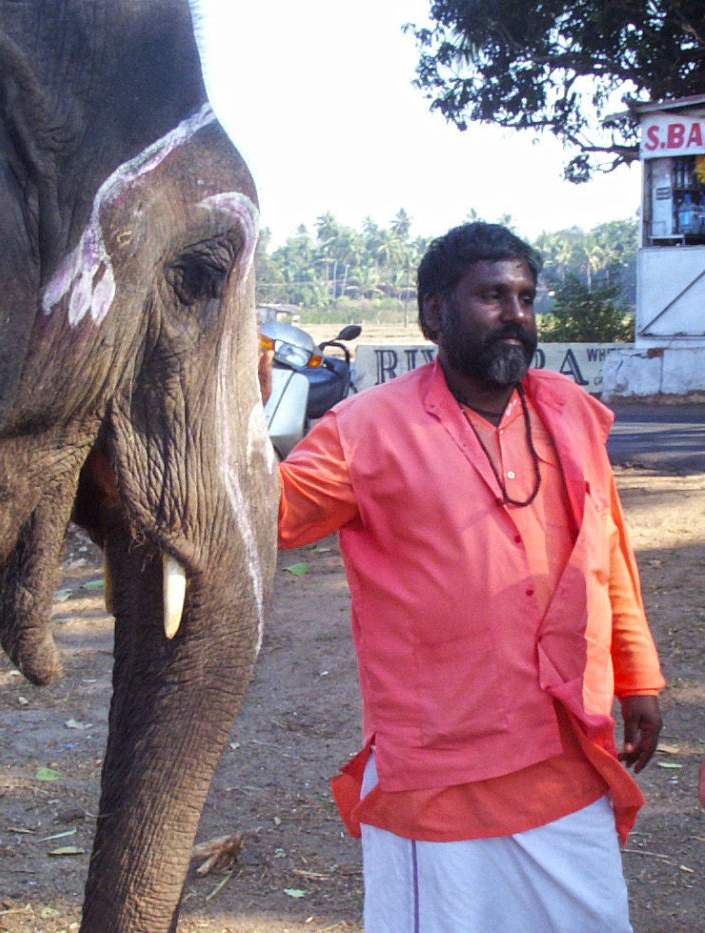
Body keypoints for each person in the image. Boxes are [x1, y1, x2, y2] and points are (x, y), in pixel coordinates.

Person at [277, 223, 664, 932]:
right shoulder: (362, 430)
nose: (516, 312)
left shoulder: (568, 412)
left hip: (565, 752)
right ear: (434, 312)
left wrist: (636, 677)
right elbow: (261, 515)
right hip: (440, 766)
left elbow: (610, 556)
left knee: (596, 918)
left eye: (524, 295)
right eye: (492, 295)